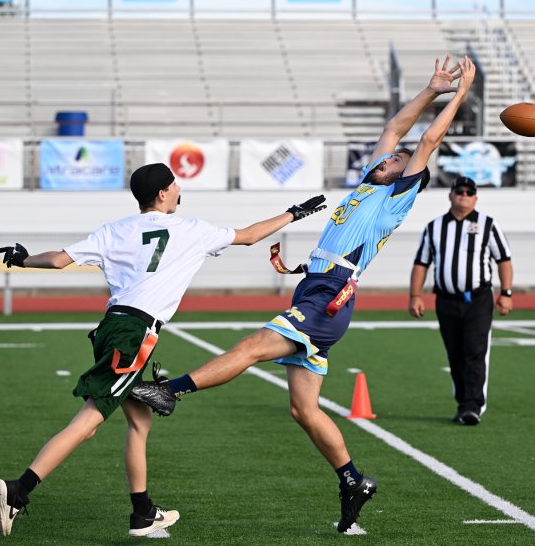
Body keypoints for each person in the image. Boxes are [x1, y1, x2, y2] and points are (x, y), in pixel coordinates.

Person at [131, 54, 476, 533]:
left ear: (405, 174)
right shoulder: (370, 182)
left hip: (330, 295)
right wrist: (431, 88)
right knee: (303, 409)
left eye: (396, 159)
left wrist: (459, 95)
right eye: (389, 155)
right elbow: (398, 127)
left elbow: (426, 139)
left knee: (253, 346)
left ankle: (170, 391)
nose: (389, 156)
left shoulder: (398, 194)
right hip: (315, 290)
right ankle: (353, 480)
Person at [0, 163, 326, 538]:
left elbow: (57, 260)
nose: (179, 187)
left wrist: (22, 258)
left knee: (140, 420)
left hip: (110, 328)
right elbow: (248, 236)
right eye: (174, 184)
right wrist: (294, 213)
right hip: (135, 334)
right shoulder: (191, 230)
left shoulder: (115, 228)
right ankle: (19, 491)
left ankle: (142, 513)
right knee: (88, 422)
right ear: (163, 194)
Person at [408, 176, 513, 426]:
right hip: (446, 299)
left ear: (475, 197)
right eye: (459, 191)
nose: (463, 195)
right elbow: (422, 263)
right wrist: (415, 295)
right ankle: (462, 402)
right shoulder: (435, 227)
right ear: (451, 195)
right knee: (455, 353)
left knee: (474, 352)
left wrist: (506, 293)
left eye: (469, 192)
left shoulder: (488, 224)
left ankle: (472, 406)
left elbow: (504, 260)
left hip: (477, 299)